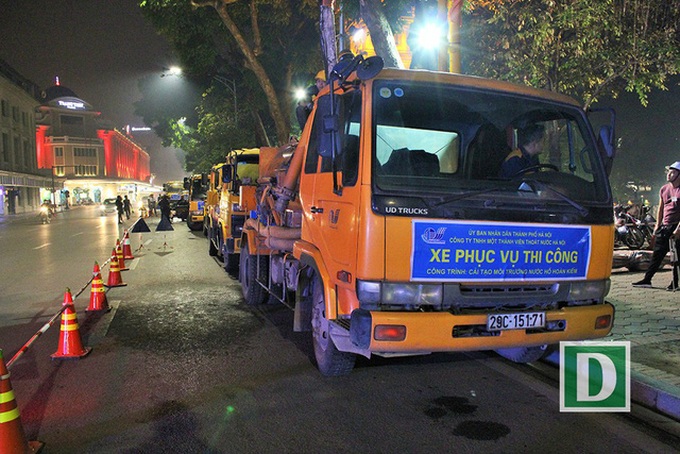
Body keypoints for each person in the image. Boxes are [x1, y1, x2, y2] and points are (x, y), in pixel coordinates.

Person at [632, 161, 680, 290]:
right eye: (669, 171)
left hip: (676, 227)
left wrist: (678, 229)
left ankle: (675, 282)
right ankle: (647, 280)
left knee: (676, 257)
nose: (669, 174)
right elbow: (661, 208)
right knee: (657, 255)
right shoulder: (664, 189)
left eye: (673, 172)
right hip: (664, 227)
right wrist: (658, 226)